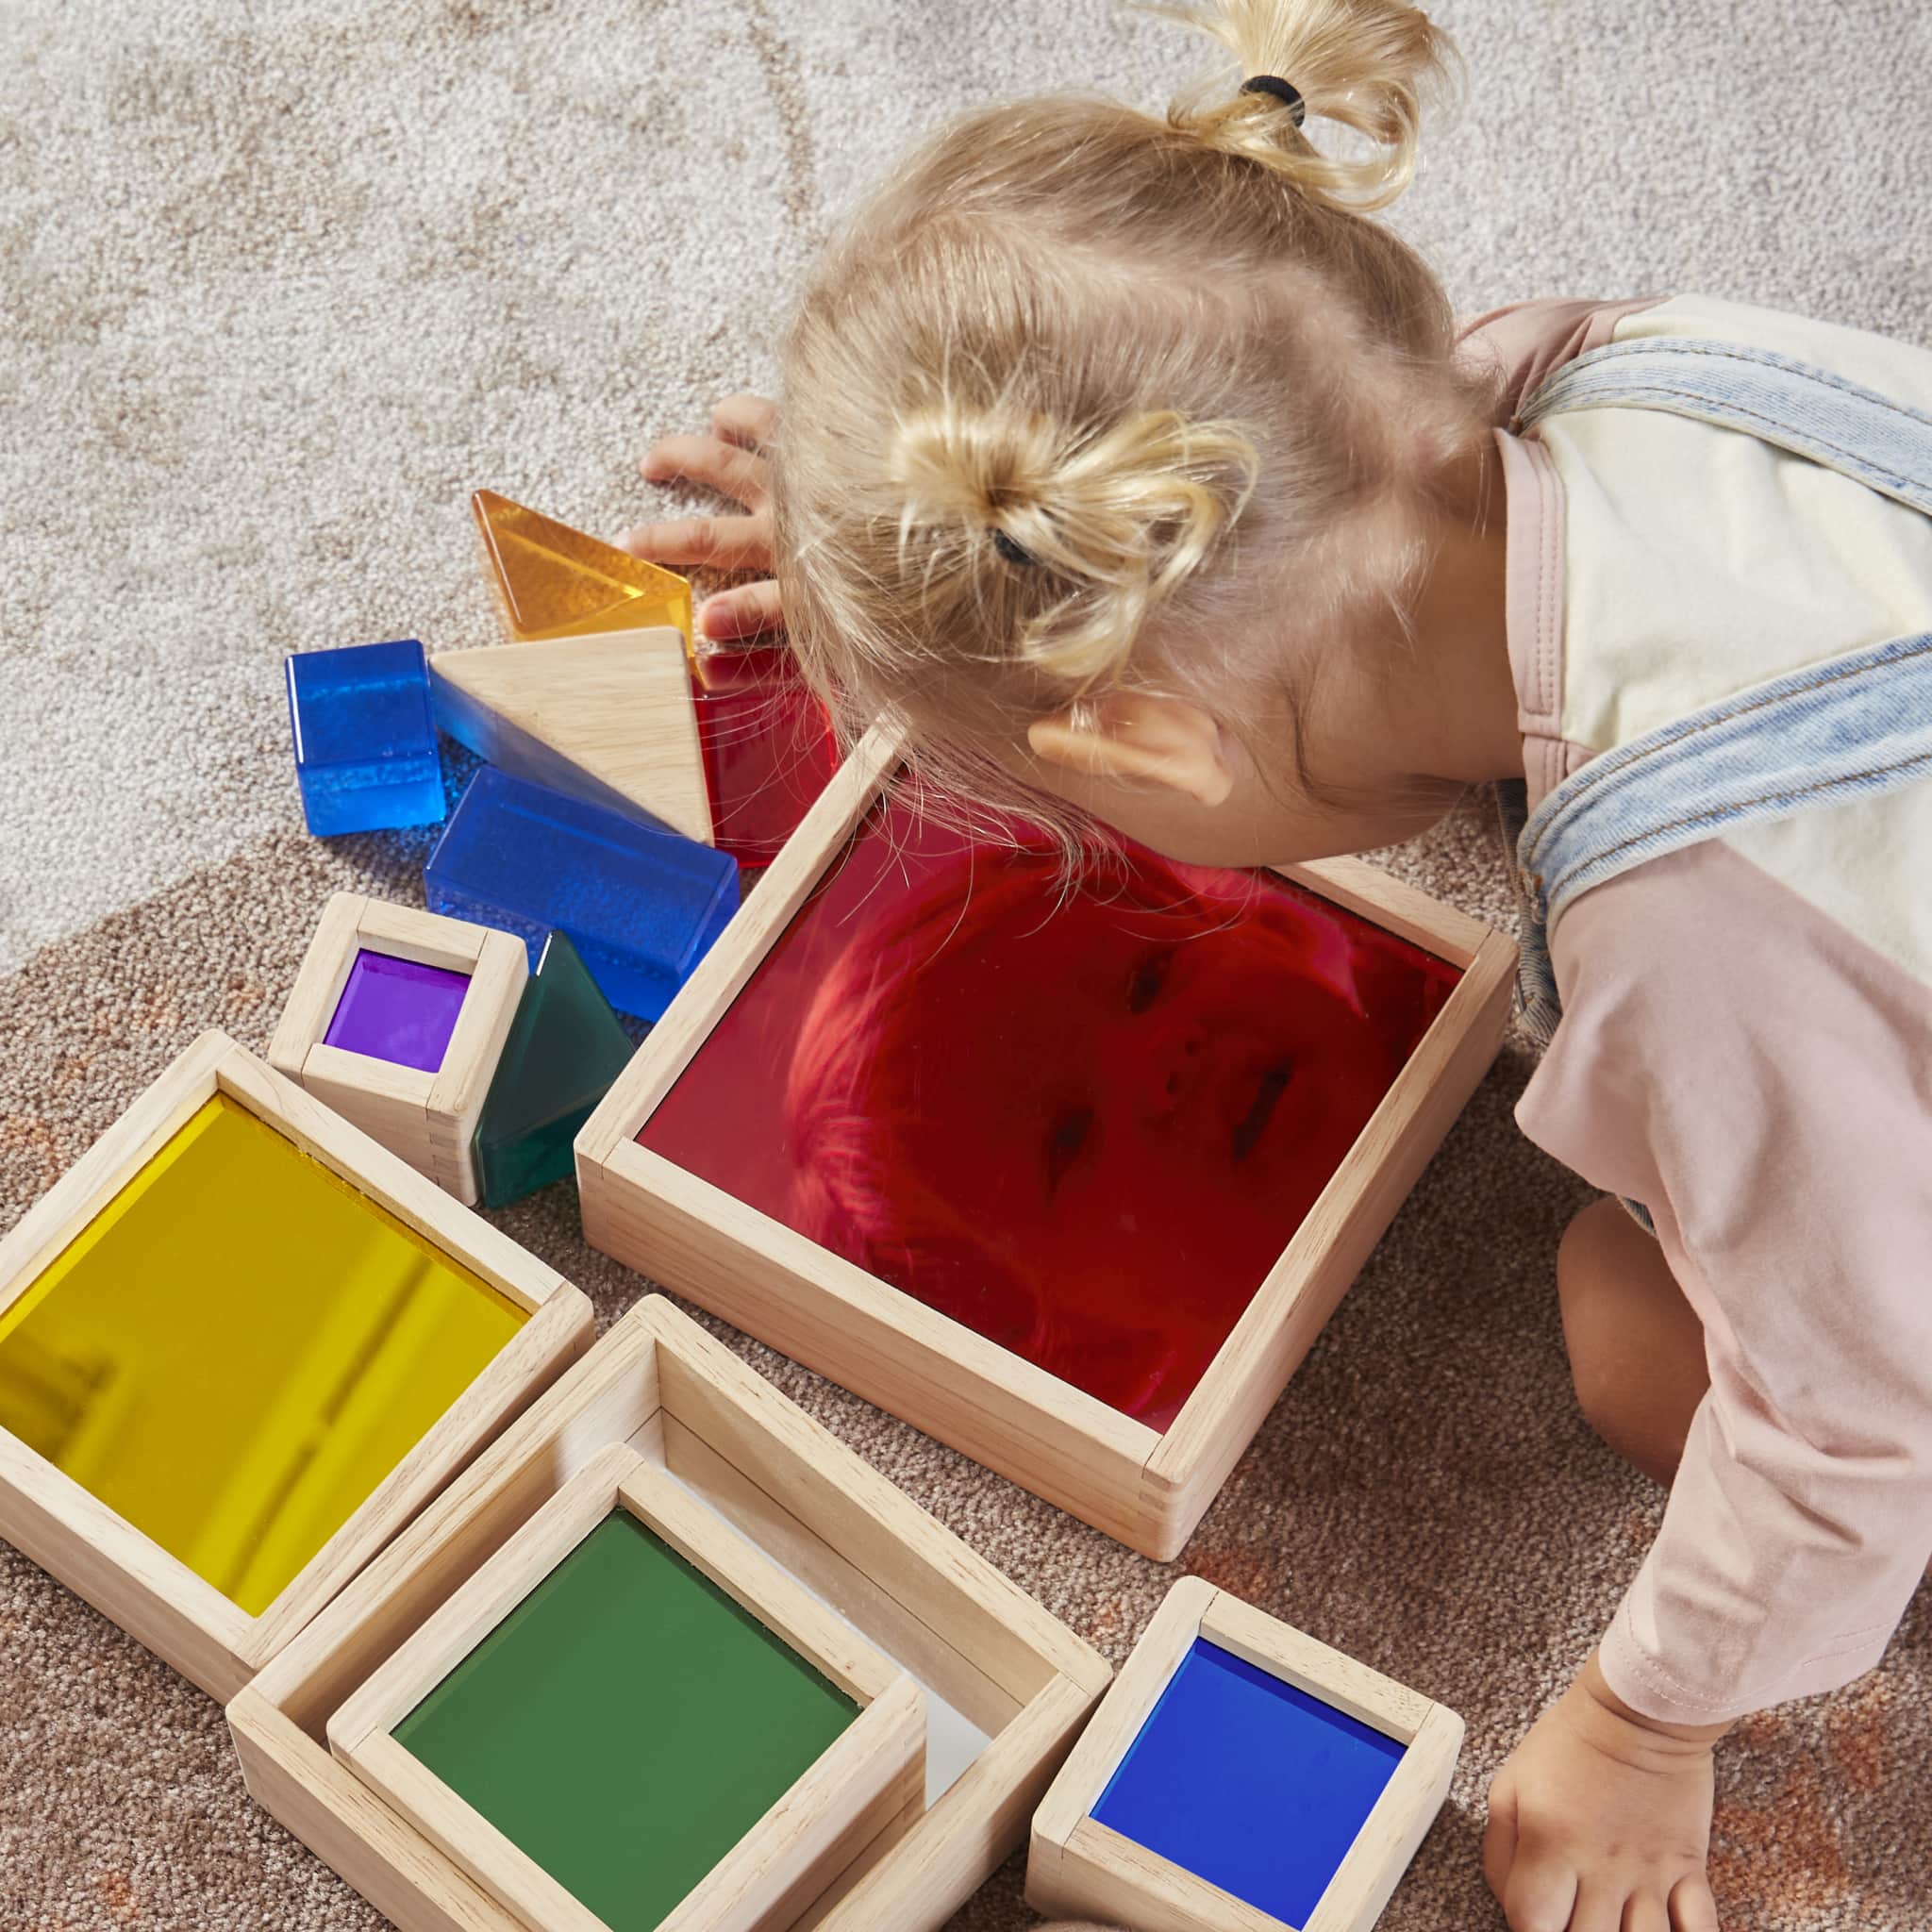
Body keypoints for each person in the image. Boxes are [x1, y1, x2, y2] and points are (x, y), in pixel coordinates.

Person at [622, 3, 1932, 1925]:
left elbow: (1858, 1423)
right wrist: (913, 570)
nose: (1157, 1062)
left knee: (1631, 1327)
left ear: (1153, 757)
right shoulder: (1593, 372)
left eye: (1141, 964)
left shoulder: (1690, 947)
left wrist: (1646, 1721)